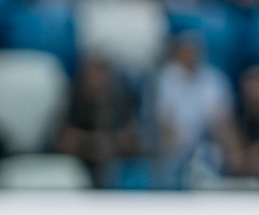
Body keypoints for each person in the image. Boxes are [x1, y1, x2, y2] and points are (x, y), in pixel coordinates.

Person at [153, 29, 234, 184]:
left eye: (194, 51)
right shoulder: (166, 78)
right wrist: (174, 145)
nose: (190, 56)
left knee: (215, 151)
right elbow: (164, 119)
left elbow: (220, 119)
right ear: (177, 53)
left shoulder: (213, 78)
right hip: (173, 145)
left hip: (205, 144)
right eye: (186, 51)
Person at [57, 54, 141, 186]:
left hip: (115, 165)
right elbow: (65, 141)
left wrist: (110, 142)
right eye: (93, 73)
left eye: (102, 73)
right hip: (79, 164)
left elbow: (132, 140)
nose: (97, 79)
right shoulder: (73, 99)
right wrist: (90, 143)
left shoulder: (120, 100)